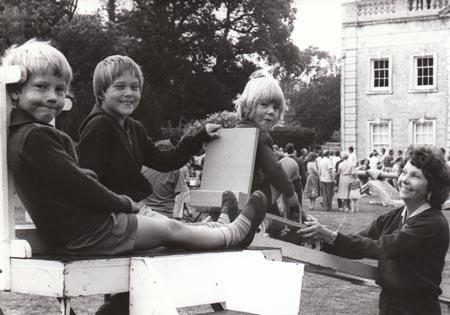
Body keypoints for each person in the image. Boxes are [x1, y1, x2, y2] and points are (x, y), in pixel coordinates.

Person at [5, 40, 268, 313]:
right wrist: (124, 204)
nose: (52, 96)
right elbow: (81, 184)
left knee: (172, 229)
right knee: (172, 231)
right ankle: (232, 233)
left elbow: (166, 161)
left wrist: (198, 136)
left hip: (103, 218)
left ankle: (220, 227)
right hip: (95, 224)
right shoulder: (68, 131)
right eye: (41, 87)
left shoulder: (130, 128)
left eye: (59, 90)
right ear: (100, 94)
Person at [298, 146, 450, 315]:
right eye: (404, 172)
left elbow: (383, 248)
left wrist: (329, 235)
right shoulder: (394, 216)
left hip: (417, 309)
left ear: (432, 187)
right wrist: (318, 238)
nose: (405, 180)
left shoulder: (432, 223)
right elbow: (356, 243)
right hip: (389, 304)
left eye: (415, 176)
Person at [234, 70, 305, 223]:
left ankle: (281, 217)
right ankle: (297, 211)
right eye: (264, 105)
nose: (271, 111)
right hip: (255, 200)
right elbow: (274, 170)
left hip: (237, 199)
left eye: (276, 107)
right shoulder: (260, 136)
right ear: (248, 105)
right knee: (290, 163)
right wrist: (291, 195)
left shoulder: (235, 132)